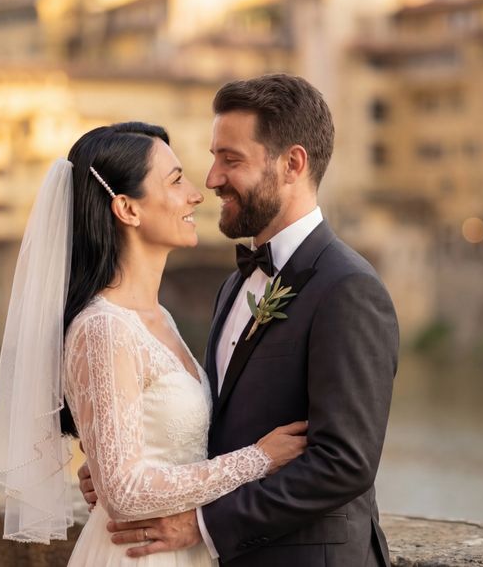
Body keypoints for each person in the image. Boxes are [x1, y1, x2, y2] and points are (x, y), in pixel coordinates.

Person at [78, 74, 400, 566]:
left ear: (292, 164)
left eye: (231, 160)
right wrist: (124, 464)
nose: (210, 180)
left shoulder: (347, 288)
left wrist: (203, 524)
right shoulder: (232, 288)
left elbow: (344, 463)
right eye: (212, 158)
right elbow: (214, 426)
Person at [0, 122, 308, 566]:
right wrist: (257, 460)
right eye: (176, 181)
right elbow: (125, 493)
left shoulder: (161, 318)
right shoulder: (104, 327)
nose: (197, 194)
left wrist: (104, 460)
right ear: (127, 210)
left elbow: (144, 450)